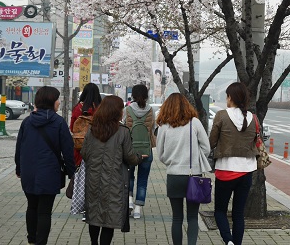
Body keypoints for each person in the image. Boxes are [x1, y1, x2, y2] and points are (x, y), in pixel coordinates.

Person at [15, 86, 76, 245]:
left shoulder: (27, 121)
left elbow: (19, 147)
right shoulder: (58, 122)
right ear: (52, 101)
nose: (59, 101)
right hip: (49, 173)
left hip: (29, 172)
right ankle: (40, 242)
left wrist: (19, 169)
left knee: (32, 206)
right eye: (58, 98)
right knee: (44, 212)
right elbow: (68, 150)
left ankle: (31, 239)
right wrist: (72, 173)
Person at [81, 95, 145, 245]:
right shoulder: (122, 131)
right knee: (109, 218)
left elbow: (84, 153)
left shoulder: (92, 129)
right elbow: (130, 157)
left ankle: (93, 243)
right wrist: (139, 158)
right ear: (117, 111)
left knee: (95, 215)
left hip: (93, 180)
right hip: (114, 181)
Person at [156, 93, 211, 245]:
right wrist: (194, 159)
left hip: (174, 175)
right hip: (194, 175)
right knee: (193, 217)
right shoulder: (195, 123)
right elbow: (206, 148)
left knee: (177, 217)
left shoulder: (163, 126)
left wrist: (171, 161)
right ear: (187, 105)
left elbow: (160, 154)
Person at [209, 82, 258, 245]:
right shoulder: (253, 117)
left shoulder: (222, 115)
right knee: (238, 213)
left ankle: (228, 241)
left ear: (231, 97)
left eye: (227, 96)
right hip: (247, 171)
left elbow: (212, 142)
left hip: (226, 170)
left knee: (220, 211)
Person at [124, 84, 156, 219]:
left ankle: (129, 201)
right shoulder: (151, 111)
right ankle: (138, 209)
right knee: (142, 180)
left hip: (130, 150)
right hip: (146, 150)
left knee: (129, 177)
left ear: (133, 95)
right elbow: (152, 129)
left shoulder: (127, 110)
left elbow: (124, 128)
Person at [70, 83, 102, 166]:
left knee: (79, 175)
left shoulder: (77, 108)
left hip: (80, 147)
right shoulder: (101, 109)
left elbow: (72, 128)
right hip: (97, 148)